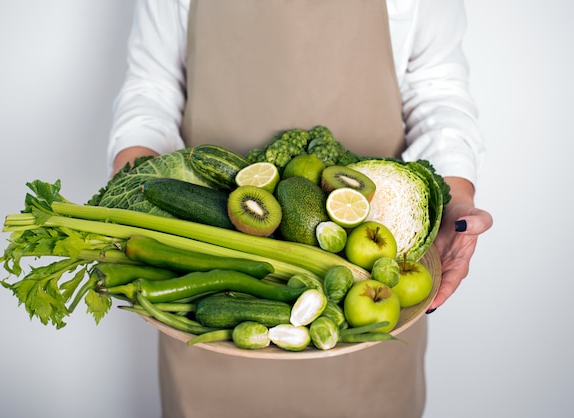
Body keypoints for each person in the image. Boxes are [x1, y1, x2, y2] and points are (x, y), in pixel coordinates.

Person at [107, 1, 494, 417]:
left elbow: (436, 89)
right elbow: (153, 86)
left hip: (367, 317)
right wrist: (132, 193)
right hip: (210, 295)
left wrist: (454, 200)